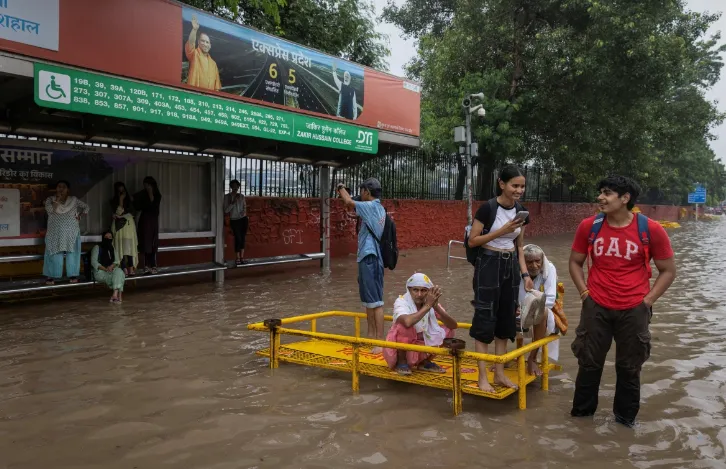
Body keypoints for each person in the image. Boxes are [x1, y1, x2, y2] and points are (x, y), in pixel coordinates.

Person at [569, 175, 676, 427]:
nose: (600, 198)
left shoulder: (650, 229)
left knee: (629, 369)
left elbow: (668, 270)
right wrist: (585, 294)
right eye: (600, 192)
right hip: (596, 306)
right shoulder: (589, 226)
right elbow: (575, 262)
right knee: (588, 364)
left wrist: (647, 301)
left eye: (607, 193)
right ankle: (581, 424)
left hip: (634, 309)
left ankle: (624, 423)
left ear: (625, 198)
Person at [466, 165, 533, 393]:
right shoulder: (487, 209)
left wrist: (525, 275)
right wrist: (503, 229)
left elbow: (520, 245)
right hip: (489, 263)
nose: (519, 190)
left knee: (506, 319)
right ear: (501, 184)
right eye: (515, 185)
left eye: (522, 186)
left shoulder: (522, 212)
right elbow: (473, 241)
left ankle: (500, 373)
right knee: (485, 317)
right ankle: (483, 377)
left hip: (510, 265)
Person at [337, 178, 386, 354]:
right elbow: (350, 206)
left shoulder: (371, 207)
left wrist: (340, 187)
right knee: (369, 301)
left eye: (362, 191)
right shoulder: (377, 208)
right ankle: (371, 336)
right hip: (371, 256)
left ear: (366, 191)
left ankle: (380, 342)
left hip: (369, 256)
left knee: (376, 302)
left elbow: (349, 202)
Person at [383, 273, 458, 375]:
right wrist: (428, 306)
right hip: (401, 350)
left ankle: (424, 361)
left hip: (420, 348)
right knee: (404, 326)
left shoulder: (430, 303)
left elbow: (453, 325)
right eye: (415, 290)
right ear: (409, 290)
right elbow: (407, 322)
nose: (419, 294)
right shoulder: (401, 301)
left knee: (448, 329)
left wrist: (437, 308)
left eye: (423, 290)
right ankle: (402, 363)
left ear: (428, 292)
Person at [518, 244, 562, 375]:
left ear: (542, 260)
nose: (534, 265)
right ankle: (502, 360)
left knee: (541, 312)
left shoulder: (550, 269)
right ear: (523, 263)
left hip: (542, 311)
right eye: (529, 262)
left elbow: (549, 299)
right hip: (518, 310)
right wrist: (516, 307)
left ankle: (532, 358)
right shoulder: (516, 269)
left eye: (537, 261)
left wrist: (528, 308)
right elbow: (511, 294)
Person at [42, 180, 89, 285]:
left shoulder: (74, 200)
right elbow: (50, 211)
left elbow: (86, 207)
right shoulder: (50, 199)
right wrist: (57, 199)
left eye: (64, 187)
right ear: (56, 189)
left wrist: (80, 215)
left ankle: (73, 275)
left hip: (71, 232)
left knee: (72, 253)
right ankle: (51, 276)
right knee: (53, 252)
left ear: (68, 190)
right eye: (59, 186)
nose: (61, 189)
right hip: (55, 232)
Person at [185, 14, 221, 91]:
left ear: (210, 45)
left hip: (208, 99)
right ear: (198, 42)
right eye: (203, 41)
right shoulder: (194, 54)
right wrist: (194, 30)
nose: (205, 44)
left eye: (207, 42)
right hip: (193, 95)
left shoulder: (213, 64)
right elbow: (191, 43)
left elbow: (216, 88)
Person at [134, 176, 162, 274]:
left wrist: (150, 193)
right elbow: (137, 206)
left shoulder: (157, 195)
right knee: (145, 242)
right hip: (145, 220)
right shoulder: (142, 194)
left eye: (147, 185)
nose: (146, 187)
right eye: (145, 185)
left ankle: (153, 264)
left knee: (153, 242)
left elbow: (154, 206)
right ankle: (146, 265)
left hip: (153, 220)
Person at [110, 181, 138, 276]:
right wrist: (121, 200)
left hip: (129, 227)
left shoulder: (130, 201)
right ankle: (123, 267)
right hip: (119, 228)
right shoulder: (114, 201)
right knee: (119, 247)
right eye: (119, 191)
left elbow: (133, 213)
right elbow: (118, 213)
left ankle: (130, 267)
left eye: (123, 190)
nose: (122, 192)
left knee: (129, 247)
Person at [91, 231, 126, 303]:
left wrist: (111, 266)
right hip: (100, 272)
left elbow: (117, 261)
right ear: (103, 238)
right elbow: (94, 262)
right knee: (119, 275)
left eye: (110, 237)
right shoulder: (97, 247)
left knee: (119, 271)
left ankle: (114, 295)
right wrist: (105, 269)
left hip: (111, 270)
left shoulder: (112, 248)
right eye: (106, 237)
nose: (108, 239)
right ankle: (119, 295)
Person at [223, 180, 248, 265]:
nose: (235, 188)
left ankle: (242, 258)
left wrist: (243, 212)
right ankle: (237, 258)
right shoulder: (227, 197)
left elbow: (245, 207)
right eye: (233, 186)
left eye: (237, 186)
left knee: (243, 238)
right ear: (231, 187)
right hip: (234, 220)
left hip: (243, 219)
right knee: (238, 238)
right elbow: (226, 210)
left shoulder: (241, 196)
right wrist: (233, 203)